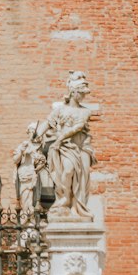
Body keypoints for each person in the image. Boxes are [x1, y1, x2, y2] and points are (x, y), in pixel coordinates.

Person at [43, 71, 96, 220]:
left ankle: (78, 208)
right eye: (81, 92)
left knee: (83, 178)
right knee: (67, 171)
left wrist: (60, 137)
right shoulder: (60, 110)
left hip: (82, 148)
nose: (83, 96)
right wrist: (35, 137)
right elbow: (47, 124)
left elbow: (77, 128)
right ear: (73, 92)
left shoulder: (85, 111)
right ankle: (64, 200)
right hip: (66, 148)